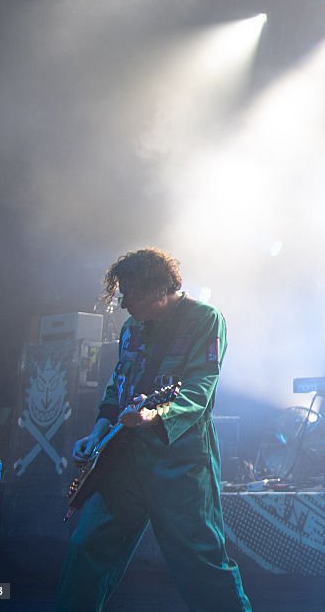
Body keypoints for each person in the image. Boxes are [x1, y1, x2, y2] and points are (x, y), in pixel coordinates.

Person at [57, 247, 251, 612]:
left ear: (160, 289)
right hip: (124, 456)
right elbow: (117, 385)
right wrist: (99, 430)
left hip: (181, 458)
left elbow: (200, 388)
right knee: (87, 545)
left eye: (131, 294)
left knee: (200, 560)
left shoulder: (206, 319)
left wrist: (155, 417)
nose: (124, 303)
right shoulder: (131, 328)